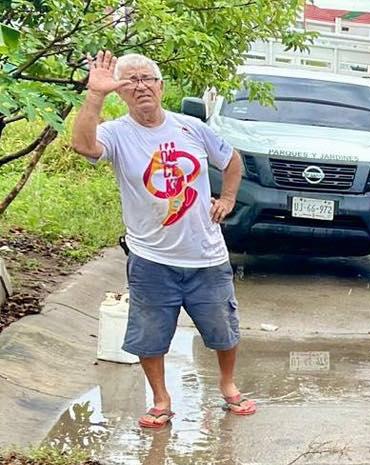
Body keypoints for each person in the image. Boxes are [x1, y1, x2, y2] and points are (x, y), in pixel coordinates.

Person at [71, 51, 255, 429]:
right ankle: (160, 398)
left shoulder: (191, 128)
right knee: (149, 337)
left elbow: (232, 161)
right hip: (151, 259)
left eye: (147, 79)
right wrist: (95, 95)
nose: (140, 86)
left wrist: (227, 199)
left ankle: (228, 385)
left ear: (161, 86)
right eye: (130, 80)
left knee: (223, 331)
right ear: (120, 91)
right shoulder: (117, 133)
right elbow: (84, 146)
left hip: (206, 257)